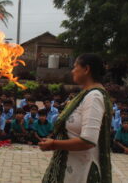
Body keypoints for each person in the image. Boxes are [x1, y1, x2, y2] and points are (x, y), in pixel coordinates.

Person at [41, 53, 112, 183]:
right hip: (69, 166)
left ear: (86, 69)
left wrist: (54, 144)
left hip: (81, 172)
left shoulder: (94, 97)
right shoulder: (86, 94)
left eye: (75, 67)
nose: (72, 71)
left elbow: (88, 141)